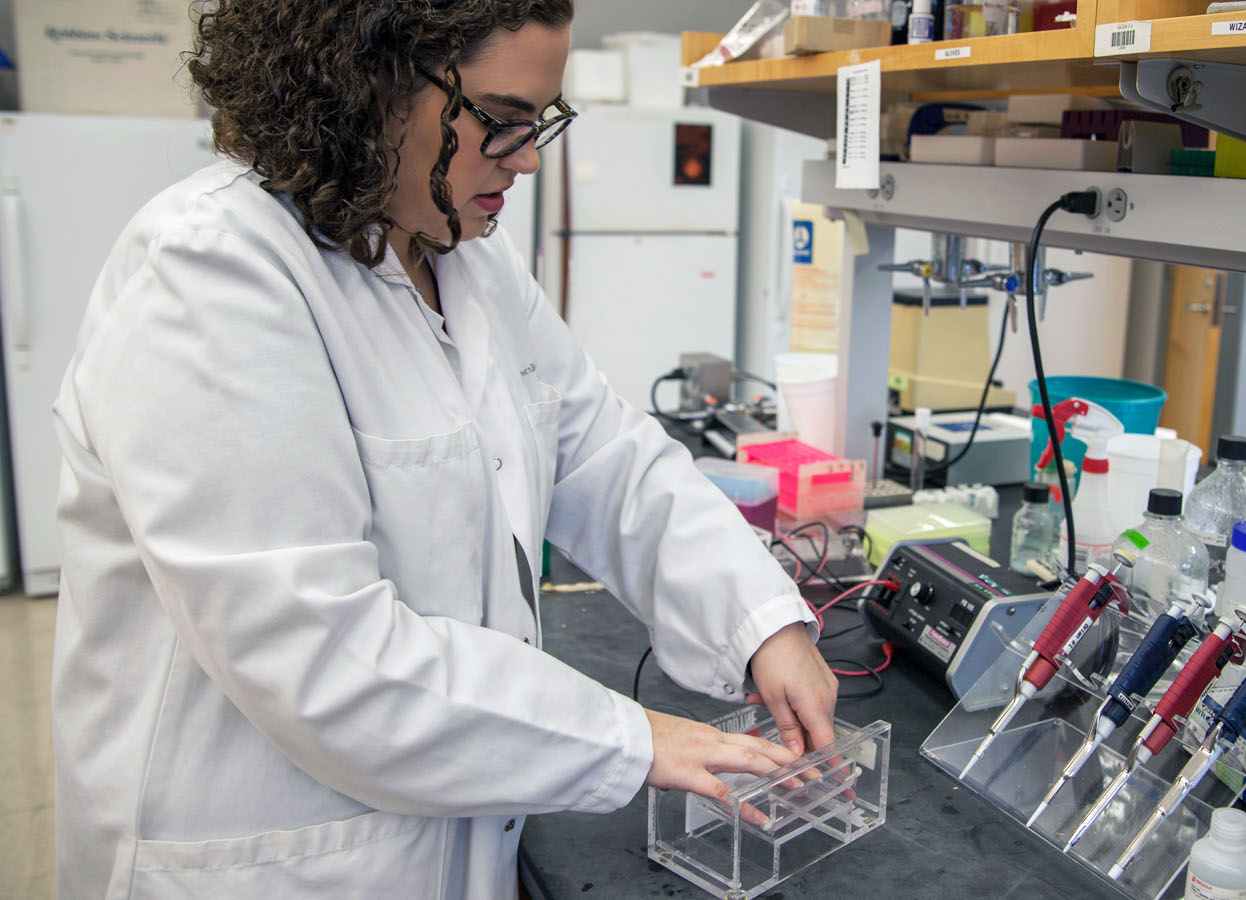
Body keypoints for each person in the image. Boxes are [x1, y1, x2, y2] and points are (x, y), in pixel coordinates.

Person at [50, 2, 838, 897]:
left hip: (449, 839)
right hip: (269, 856)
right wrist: (631, 737)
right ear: (365, 86)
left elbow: (603, 453)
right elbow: (318, 653)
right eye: (501, 122)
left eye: (540, 121)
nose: (531, 157)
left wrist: (761, 623)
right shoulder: (211, 270)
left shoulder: (462, 253)